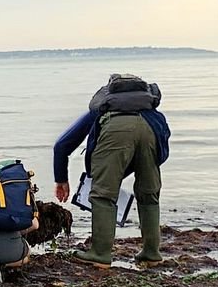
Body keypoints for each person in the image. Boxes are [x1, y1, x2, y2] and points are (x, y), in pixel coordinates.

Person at [53, 74, 171, 267]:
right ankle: (151, 254)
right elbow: (163, 147)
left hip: (115, 131)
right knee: (149, 194)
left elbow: (62, 145)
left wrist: (61, 179)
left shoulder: (104, 108)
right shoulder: (151, 111)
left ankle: (100, 254)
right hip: (151, 131)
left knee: (102, 195)